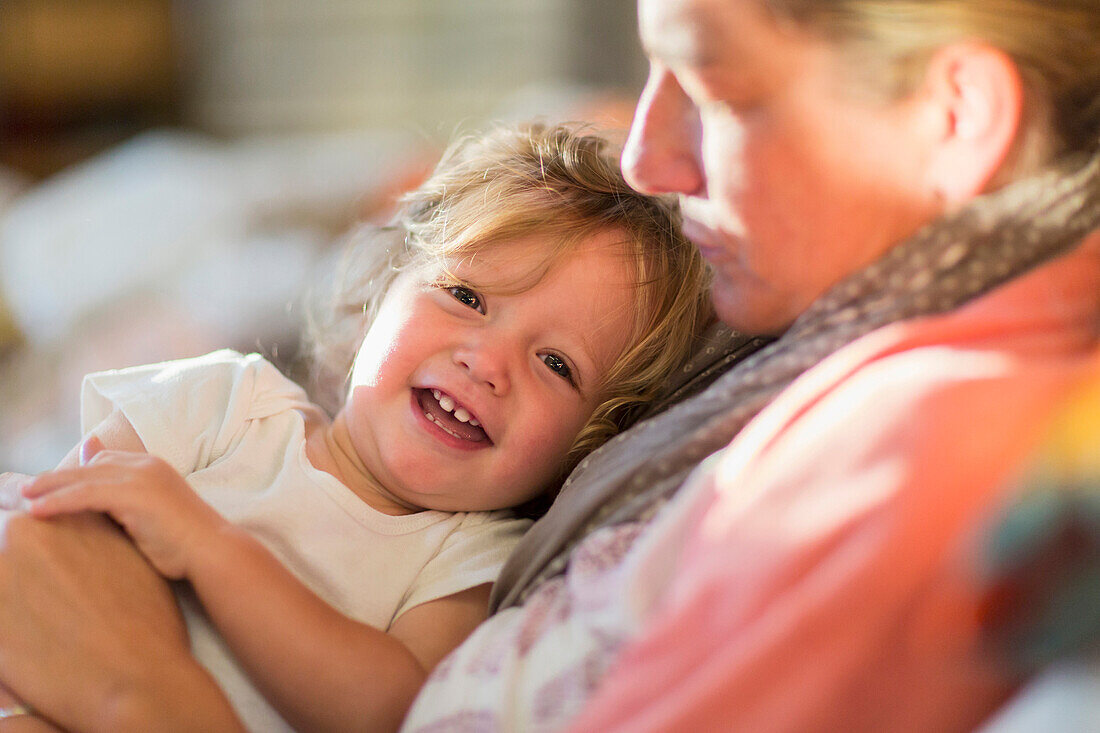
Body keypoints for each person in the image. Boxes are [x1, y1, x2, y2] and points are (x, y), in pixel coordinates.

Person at [0, 0, 1098, 731]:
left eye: (711, 86)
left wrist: (133, 695)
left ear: (952, 114)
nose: (646, 155)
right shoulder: (821, 346)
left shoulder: (930, 455)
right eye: (465, 297)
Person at [0, 122, 713, 732]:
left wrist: (208, 546)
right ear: (381, 287)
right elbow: (55, 536)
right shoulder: (224, 400)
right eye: (466, 295)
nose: (488, 360)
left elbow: (383, 709)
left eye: (557, 363)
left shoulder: (471, 557)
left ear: (586, 443)